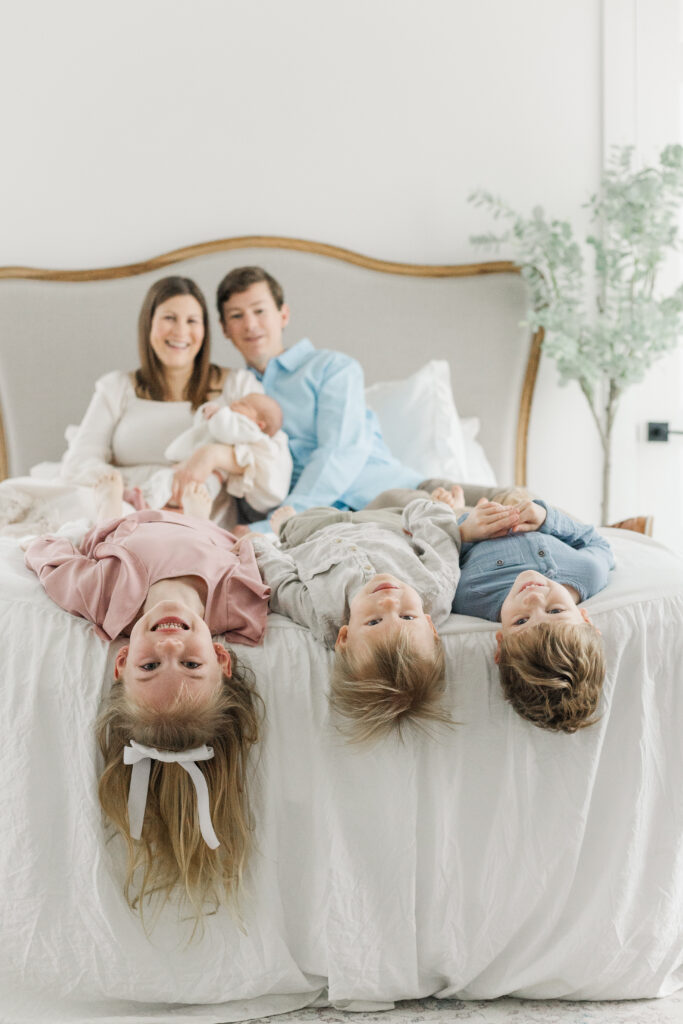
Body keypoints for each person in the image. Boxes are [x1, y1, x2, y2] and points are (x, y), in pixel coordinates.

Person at [24, 491, 270, 922]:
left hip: (132, 521)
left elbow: (44, 549)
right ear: (221, 657)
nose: (170, 644)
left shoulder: (104, 595)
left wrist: (104, 525)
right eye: (192, 664)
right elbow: (248, 546)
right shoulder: (242, 605)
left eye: (150, 664)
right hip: (201, 520)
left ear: (122, 659)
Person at [251, 492, 519, 741]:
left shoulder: (323, 614)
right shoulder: (435, 592)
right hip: (382, 522)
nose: (390, 602)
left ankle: (283, 525)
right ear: (430, 626)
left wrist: (260, 546)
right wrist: (423, 510)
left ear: (344, 636)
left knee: (293, 522)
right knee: (399, 497)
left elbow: (282, 583)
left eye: (374, 621)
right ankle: (455, 504)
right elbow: (437, 532)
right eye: (407, 616)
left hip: (312, 532)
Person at [60, 275, 285, 526]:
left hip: (203, 531)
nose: (180, 331)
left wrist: (214, 456)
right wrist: (159, 480)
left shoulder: (238, 386)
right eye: (169, 318)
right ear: (149, 324)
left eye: (192, 321)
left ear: (204, 330)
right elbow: (77, 466)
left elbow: (272, 481)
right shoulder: (116, 387)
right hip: (125, 518)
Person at [214, 265, 424, 531]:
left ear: (283, 314)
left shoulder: (332, 368)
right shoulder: (235, 396)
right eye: (236, 315)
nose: (250, 324)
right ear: (224, 328)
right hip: (322, 528)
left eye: (259, 311)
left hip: (394, 496)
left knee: (488, 521)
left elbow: (340, 450)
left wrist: (279, 525)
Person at [132, 392, 292, 514]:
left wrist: (217, 413)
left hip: (215, 474)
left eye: (244, 404)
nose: (235, 403)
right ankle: (142, 498)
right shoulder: (240, 425)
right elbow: (206, 429)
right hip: (202, 468)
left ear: (260, 424)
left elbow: (224, 430)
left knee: (191, 491)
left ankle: (148, 504)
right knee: (165, 479)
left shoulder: (249, 429)